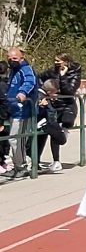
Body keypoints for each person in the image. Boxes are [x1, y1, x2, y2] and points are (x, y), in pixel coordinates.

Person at [37, 53, 82, 172]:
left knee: (58, 131)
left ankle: (56, 160)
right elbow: (39, 78)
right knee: (46, 131)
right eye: (55, 60)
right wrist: (45, 93)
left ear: (66, 62)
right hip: (52, 105)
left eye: (58, 61)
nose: (56, 63)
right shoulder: (52, 71)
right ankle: (39, 160)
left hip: (66, 106)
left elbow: (69, 91)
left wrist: (62, 76)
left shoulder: (74, 74)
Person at [5, 46, 37, 178]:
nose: (11, 60)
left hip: (24, 111)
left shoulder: (25, 69)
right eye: (9, 58)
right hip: (14, 110)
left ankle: (22, 166)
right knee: (13, 139)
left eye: (14, 58)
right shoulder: (12, 71)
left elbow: (30, 81)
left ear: (21, 58)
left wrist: (23, 92)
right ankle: (17, 165)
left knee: (19, 140)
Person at [35, 79, 67, 172]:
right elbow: (49, 112)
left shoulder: (41, 95)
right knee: (56, 137)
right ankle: (35, 162)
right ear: (50, 91)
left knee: (41, 141)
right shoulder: (41, 97)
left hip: (44, 123)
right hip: (43, 123)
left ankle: (36, 162)